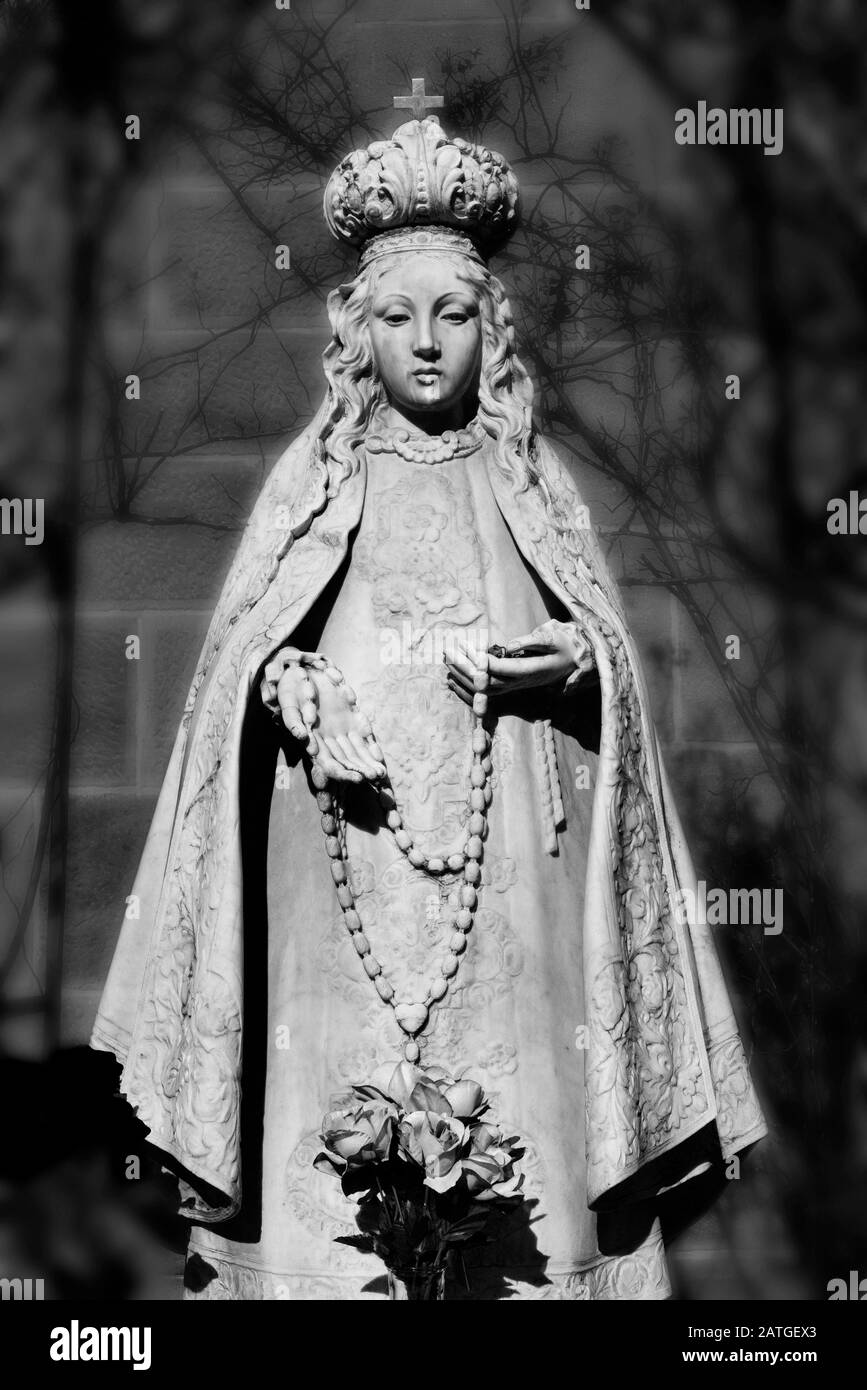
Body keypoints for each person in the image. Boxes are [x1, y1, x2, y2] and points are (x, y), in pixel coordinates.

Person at [92, 108, 766, 1300]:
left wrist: (576, 666)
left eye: (453, 315)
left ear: (488, 330)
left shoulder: (531, 479)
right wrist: (293, 688)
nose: (426, 344)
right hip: (330, 860)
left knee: (523, 1141)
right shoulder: (315, 478)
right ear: (357, 332)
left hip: (509, 864)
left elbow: (602, 646)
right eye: (396, 316)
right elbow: (237, 671)